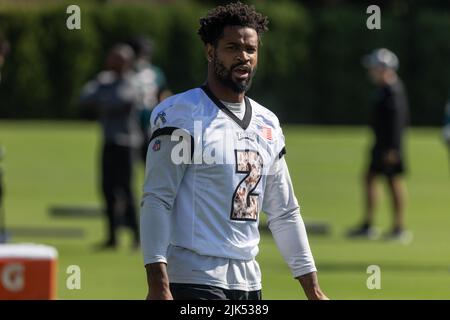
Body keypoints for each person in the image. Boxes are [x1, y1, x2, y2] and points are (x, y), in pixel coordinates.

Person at [140, 2, 328, 300]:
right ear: (210, 51)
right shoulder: (183, 115)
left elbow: (284, 212)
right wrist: (158, 284)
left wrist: (313, 290)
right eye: (232, 47)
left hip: (249, 282)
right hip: (194, 278)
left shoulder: (267, 123)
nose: (243, 57)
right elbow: (157, 200)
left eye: (250, 49)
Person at [80, 43, 142, 250]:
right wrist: (105, 98)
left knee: (126, 190)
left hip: (126, 142)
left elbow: (122, 101)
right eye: (113, 57)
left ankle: (137, 236)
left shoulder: (132, 81)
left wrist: (102, 99)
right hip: (108, 141)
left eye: (119, 59)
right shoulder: (103, 79)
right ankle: (112, 237)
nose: (114, 62)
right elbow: (85, 97)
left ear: (128, 62)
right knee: (107, 189)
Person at [348, 48, 411, 243]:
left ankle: (399, 228)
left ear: (384, 68)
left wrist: (392, 149)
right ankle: (369, 224)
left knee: (393, 182)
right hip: (380, 145)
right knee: (370, 178)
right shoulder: (383, 90)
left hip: (390, 147)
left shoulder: (393, 91)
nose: (371, 72)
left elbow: (398, 122)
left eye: (374, 68)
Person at [128, 36, 171, 162]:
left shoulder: (154, 72)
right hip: (133, 121)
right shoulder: (129, 72)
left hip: (149, 121)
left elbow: (163, 94)